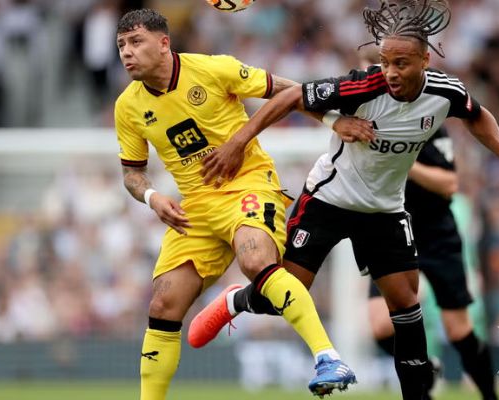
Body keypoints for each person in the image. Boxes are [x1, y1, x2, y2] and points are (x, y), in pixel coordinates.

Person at [190, 1, 499, 399]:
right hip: (328, 200)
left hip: (383, 210)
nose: (390, 72)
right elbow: (291, 97)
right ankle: (238, 300)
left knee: (405, 304)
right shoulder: (363, 85)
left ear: (424, 59)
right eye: (385, 62)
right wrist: (238, 142)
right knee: (286, 292)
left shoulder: (445, 92)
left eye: (401, 63)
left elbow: (477, 114)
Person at [113, 9, 355, 400]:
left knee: (256, 260)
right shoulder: (128, 106)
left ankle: (328, 357)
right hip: (195, 208)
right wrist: (152, 196)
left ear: (163, 44)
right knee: (163, 303)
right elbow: (132, 172)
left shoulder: (213, 70)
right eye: (121, 45)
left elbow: (287, 89)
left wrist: (331, 120)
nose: (127, 52)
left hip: (248, 185)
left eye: (136, 42)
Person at [367, 127, 499, 400]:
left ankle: (489, 393)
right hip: (392, 232)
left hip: (435, 236)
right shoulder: (375, 123)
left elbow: (448, 183)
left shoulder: (431, 127)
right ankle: (425, 370)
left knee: (459, 330)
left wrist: (406, 163)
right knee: (380, 325)